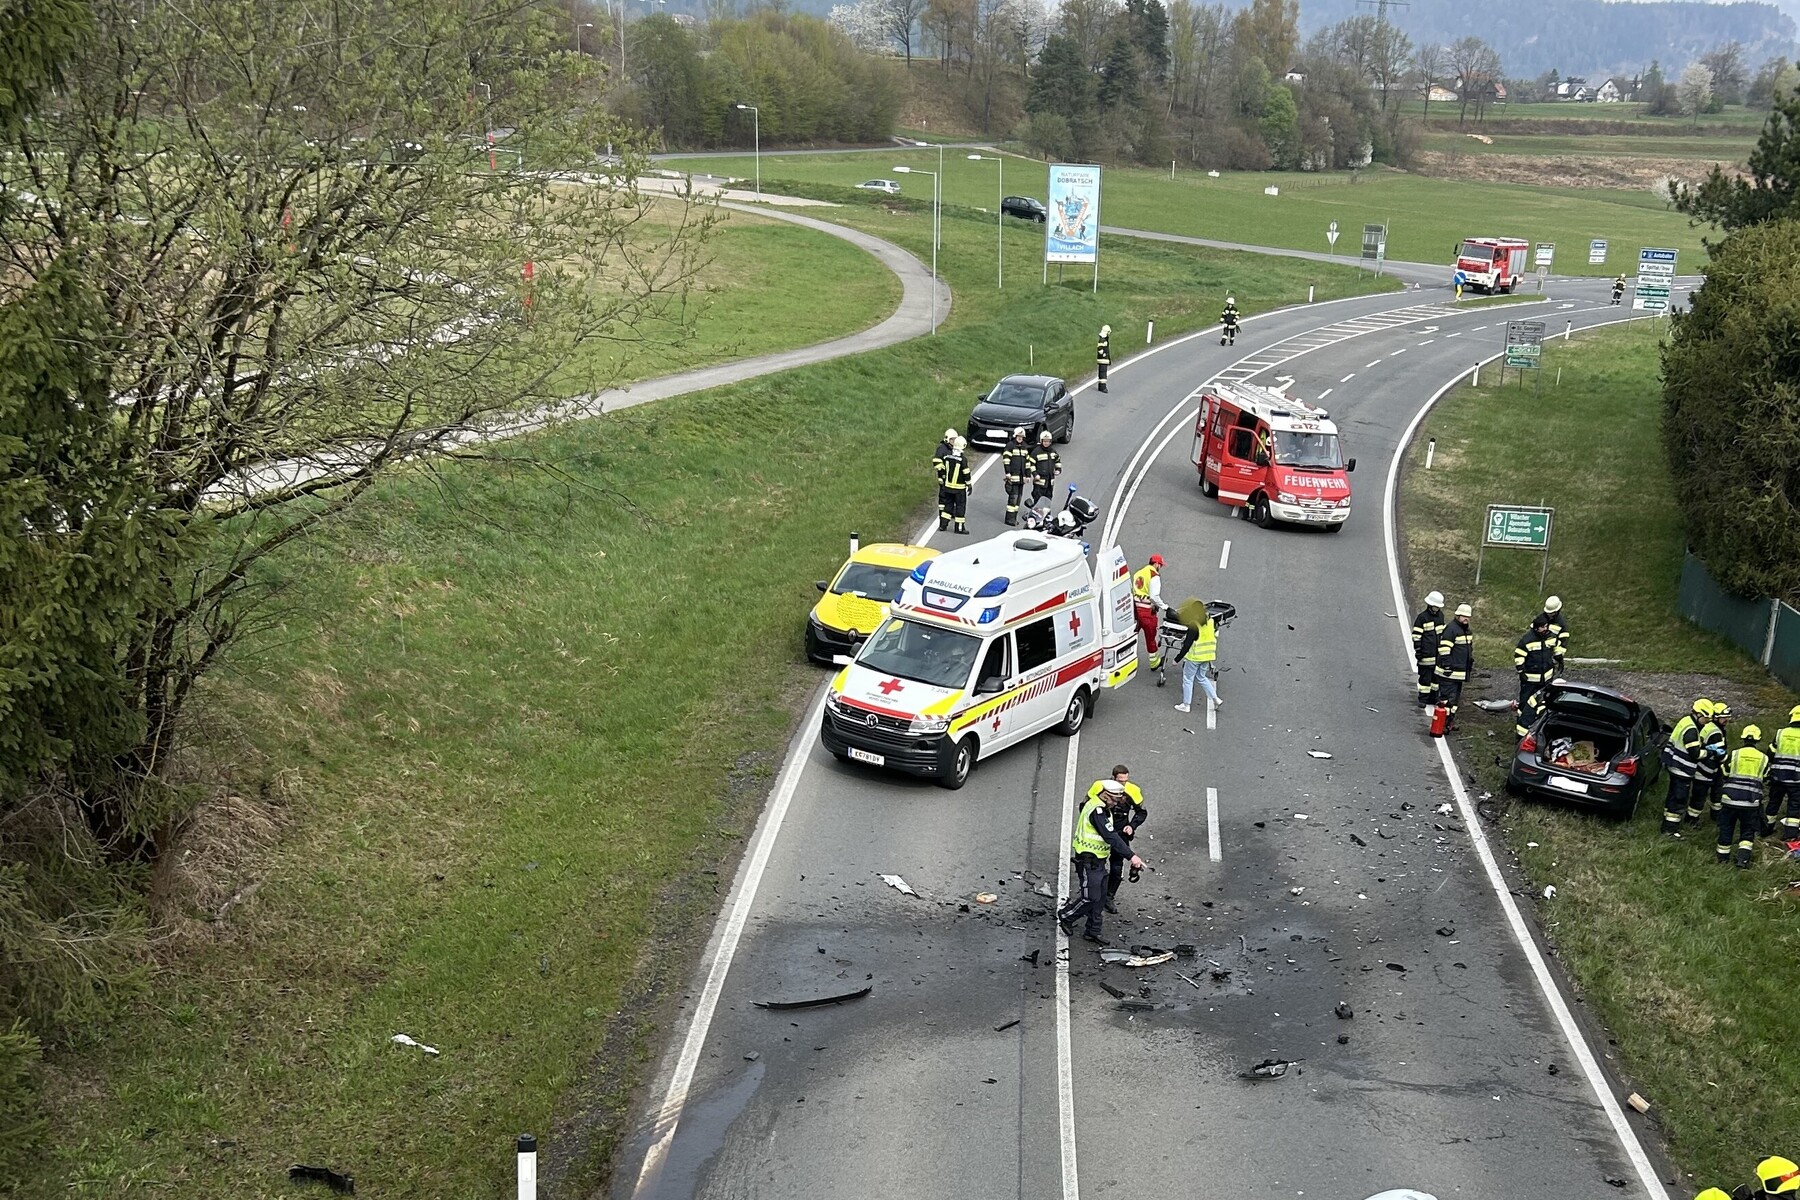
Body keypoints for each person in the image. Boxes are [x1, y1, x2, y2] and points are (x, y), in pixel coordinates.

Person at [1057, 784, 1144, 943]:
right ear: (1106, 796)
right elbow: (1110, 835)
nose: (1117, 803)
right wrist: (1131, 856)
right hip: (1088, 859)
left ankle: (1093, 930)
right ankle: (1066, 916)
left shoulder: (1102, 808)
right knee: (1091, 896)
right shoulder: (1098, 812)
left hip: (1098, 860)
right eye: (1115, 799)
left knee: (1101, 897)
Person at [1087, 767, 1148, 912]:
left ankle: (1109, 896)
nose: (1123, 785)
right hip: (1100, 831)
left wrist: (1132, 826)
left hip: (1120, 832)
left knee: (1116, 867)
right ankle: (1090, 893)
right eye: (1120, 781)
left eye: (1125, 781)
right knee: (1094, 864)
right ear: (1113, 778)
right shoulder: (1099, 786)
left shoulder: (1133, 790)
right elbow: (1086, 806)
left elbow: (1142, 812)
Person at [1717, 725, 1769, 867]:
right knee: (1747, 831)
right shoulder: (1763, 758)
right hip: (1750, 802)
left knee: (1726, 828)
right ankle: (1743, 859)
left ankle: (1722, 858)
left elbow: (1725, 772)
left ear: (1743, 738)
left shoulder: (1735, 754)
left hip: (1729, 800)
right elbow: (1766, 776)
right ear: (1758, 740)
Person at [1661, 697, 1712, 836]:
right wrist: (1709, 752)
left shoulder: (1686, 721)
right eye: (1706, 719)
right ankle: (1670, 830)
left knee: (1672, 796)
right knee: (1679, 799)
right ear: (1699, 714)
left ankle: (1666, 822)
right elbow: (1695, 753)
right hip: (1682, 768)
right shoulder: (1691, 729)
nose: (1707, 722)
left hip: (1675, 765)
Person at [1173, 597, 1221, 714]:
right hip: (1207, 656)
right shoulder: (1211, 621)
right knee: (1201, 677)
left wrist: (1177, 659)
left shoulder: (1194, 626)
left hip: (1194, 657)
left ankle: (1186, 705)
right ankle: (1215, 698)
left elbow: (1187, 645)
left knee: (1188, 679)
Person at [1434, 603, 1474, 730]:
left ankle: (1449, 722)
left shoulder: (1467, 631)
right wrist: (1447, 666)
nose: (1466, 619)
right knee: (1446, 700)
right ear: (1457, 615)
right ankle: (1442, 723)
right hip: (1449, 673)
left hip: (1459, 674)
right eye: (1463, 616)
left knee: (1454, 702)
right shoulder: (1451, 629)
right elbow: (1444, 649)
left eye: (1468, 616)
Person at [1513, 612, 1558, 718]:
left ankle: (1538, 719)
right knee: (1525, 700)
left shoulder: (1551, 637)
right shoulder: (1527, 640)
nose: (1545, 629)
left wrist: (1558, 657)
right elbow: (1519, 656)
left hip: (1546, 678)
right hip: (1530, 680)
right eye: (1542, 627)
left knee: (1543, 700)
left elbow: (1555, 648)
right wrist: (1521, 671)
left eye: (1546, 626)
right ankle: (1522, 720)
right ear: (1537, 628)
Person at [1765, 705, 1800, 839]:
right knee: (1794, 806)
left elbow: (1770, 753)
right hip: (1796, 779)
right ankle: (1790, 834)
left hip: (1778, 777)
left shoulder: (1781, 733)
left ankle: (1766, 828)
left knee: (1773, 802)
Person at [1695, 700, 1731, 820]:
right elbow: (1720, 754)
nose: (1726, 720)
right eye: (1723, 718)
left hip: (1705, 767)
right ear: (1716, 718)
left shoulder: (1710, 727)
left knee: (1714, 794)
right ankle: (1694, 820)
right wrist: (1728, 766)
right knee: (1702, 797)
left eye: (1727, 717)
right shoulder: (1716, 732)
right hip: (1707, 769)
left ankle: (1697, 819)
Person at [1411, 591, 1447, 707]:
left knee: (1435, 680)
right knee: (1425, 680)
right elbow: (1416, 636)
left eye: (1438, 607)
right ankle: (1423, 699)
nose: (1436, 609)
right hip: (1426, 655)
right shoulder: (1422, 618)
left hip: (1437, 656)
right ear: (1430, 605)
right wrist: (1418, 650)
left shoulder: (1441, 617)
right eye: (1435, 606)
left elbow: (1443, 634)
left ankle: (1433, 698)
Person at [1132, 554, 1166, 669]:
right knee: (1150, 637)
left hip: (1135, 610)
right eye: (1160, 565)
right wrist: (1164, 607)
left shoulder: (1138, 573)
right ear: (1156, 564)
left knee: (1131, 636)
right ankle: (1154, 663)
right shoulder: (1154, 575)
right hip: (1147, 612)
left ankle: (1128, 660)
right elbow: (1154, 596)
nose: (1160, 567)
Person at [936, 436, 971, 535]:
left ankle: (943, 525)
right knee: (960, 508)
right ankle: (959, 528)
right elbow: (966, 474)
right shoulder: (963, 460)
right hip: (959, 489)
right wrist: (969, 485)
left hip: (948, 488)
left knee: (948, 506)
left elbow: (943, 470)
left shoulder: (947, 457)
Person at [1001, 426, 1032, 526]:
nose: (1020, 438)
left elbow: (1027, 462)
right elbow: (1006, 460)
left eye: (1022, 437)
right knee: (1013, 499)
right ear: (1015, 436)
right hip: (1013, 478)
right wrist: (1008, 472)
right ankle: (1009, 519)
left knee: (1018, 498)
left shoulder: (1024, 447)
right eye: (1019, 436)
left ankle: (1013, 518)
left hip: (1021, 479)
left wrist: (1028, 475)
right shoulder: (1010, 446)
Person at [1534, 595, 1569, 674]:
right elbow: (1532, 633)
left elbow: (1563, 640)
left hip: (1551, 651)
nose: (1550, 615)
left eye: (1552, 613)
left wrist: (1559, 654)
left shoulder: (1560, 623)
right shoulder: (1540, 619)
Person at [1029, 430, 1062, 508]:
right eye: (1045, 441)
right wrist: (1035, 474)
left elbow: (1058, 461)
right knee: (1038, 501)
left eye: (1048, 441)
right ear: (1041, 441)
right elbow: (1031, 464)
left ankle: (1046, 517)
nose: (1046, 443)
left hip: (1050, 483)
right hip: (1039, 483)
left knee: (1048, 501)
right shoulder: (1036, 452)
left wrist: (1058, 470)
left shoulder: (1053, 452)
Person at [1096, 324, 1112, 393]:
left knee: (1102, 373)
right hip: (1103, 359)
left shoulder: (1103, 339)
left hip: (1103, 359)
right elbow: (1100, 348)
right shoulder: (1103, 340)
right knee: (1103, 373)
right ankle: (1102, 387)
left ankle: (1101, 386)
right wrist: (1104, 355)